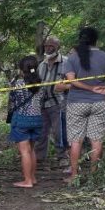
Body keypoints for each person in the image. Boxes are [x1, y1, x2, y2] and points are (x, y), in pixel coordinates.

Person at [63, 27, 105, 182]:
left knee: (76, 140)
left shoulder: (72, 58)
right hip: (99, 102)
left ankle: (74, 175)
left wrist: (88, 88)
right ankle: (94, 176)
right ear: (97, 40)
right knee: (97, 139)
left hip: (76, 102)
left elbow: (71, 81)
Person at [8, 56, 46, 188]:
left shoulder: (17, 84)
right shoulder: (41, 84)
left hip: (21, 120)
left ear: (21, 69)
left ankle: (27, 180)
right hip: (37, 119)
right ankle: (32, 177)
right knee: (31, 150)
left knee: (24, 151)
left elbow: (12, 100)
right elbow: (43, 100)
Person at [34, 36, 69, 166]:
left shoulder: (66, 62)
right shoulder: (41, 64)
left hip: (59, 103)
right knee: (41, 131)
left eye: (51, 46)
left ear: (58, 47)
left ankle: (63, 157)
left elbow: (74, 82)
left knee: (59, 131)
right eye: (46, 46)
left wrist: (64, 87)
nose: (48, 48)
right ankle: (39, 157)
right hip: (42, 103)